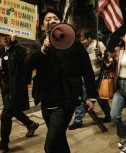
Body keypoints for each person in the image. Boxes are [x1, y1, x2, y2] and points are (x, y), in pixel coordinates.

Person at [24, 6, 97, 153]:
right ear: (42, 25)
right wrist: (43, 50)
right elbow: (27, 66)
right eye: (48, 19)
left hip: (66, 101)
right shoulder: (38, 44)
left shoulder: (72, 43)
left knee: (50, 146)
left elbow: (87, 70)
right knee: (60, 139)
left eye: (55, 18)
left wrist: (91, 96)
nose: (52, 21)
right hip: (46, 101)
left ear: (60, 22)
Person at [0, 32, 39, 153]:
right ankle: (31, 124)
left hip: (16, 88)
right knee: (14, 111)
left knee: (6, 115)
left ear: (12, 35)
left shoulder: (20, 50)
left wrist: (14, 42)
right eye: (1, 36)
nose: (3, 38)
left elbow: (24, 61)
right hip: (5, 88)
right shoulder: (2, 49)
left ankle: (3, 144)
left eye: (6, 35)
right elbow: (1, 61)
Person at [68, 28, 111, 130]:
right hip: (84, 77)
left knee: (101, 99)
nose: (82, 41)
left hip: (97, 77)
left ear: (89, 37)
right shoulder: (79, 47)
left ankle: (108, 115)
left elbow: (108, 59)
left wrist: (101, 56)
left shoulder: (98, 45)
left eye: (83, 39)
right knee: (81, 98)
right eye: (80, 39)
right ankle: (78, 121)